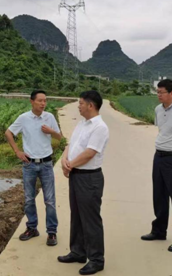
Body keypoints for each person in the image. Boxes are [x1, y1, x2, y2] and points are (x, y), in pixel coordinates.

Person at [57, 91, 109, 276]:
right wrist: (64, 160)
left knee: (91, 219)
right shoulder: (82, 124)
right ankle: (78, 252)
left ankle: (96, 259)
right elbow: (70, 145)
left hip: (89, 178)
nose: (78, 106)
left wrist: (70, 165)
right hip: (76, 175)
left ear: (90, 105)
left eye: (80, 103)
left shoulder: (100, 127)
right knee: (77, 215)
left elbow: (90, 153)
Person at [5, 90, 62, 246]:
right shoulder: (24, 118)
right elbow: (8, 133)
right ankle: (32, 228)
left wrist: (51, 131)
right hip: (29, 164)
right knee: (29, 199)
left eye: (45, 101)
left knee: (50, 200)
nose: (43, 103)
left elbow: (59, 137)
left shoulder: (49, 117)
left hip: (46, 164)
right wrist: (17, 151)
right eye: (40, 100)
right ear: (32, 101)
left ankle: (52, 232)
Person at [141, 79, 172, 252]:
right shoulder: (158, 109)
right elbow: (162, 131)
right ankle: (159, 230)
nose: (158, 95)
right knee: (159, 195)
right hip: (159, 156)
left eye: (161, 92)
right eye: (158, 92)